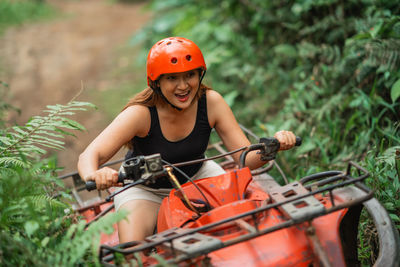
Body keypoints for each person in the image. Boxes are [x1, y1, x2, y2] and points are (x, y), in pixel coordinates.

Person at [77, 37, 296, 244]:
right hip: (146, 189)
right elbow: (90, 155)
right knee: (133, 249)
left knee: (247, 221)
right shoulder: (141, 114)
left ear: (199, 75)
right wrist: (94, 174)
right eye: (172, 78)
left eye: (190, 75)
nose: (183, 86)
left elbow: (244, 158)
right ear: (156, 82)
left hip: (199, 175)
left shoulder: (211, 102)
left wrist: (272, 147)